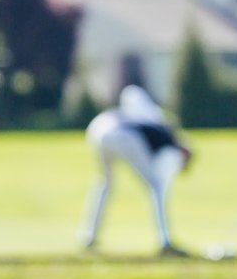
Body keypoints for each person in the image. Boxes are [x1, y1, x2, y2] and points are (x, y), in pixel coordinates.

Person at [80, 85, 194, 256]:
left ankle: (89, 237)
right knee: (156, 186)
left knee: (105, 183)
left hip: (98, 129)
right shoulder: (168, 136)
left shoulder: (151, 121)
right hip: (123, 134)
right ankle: (165, 241)